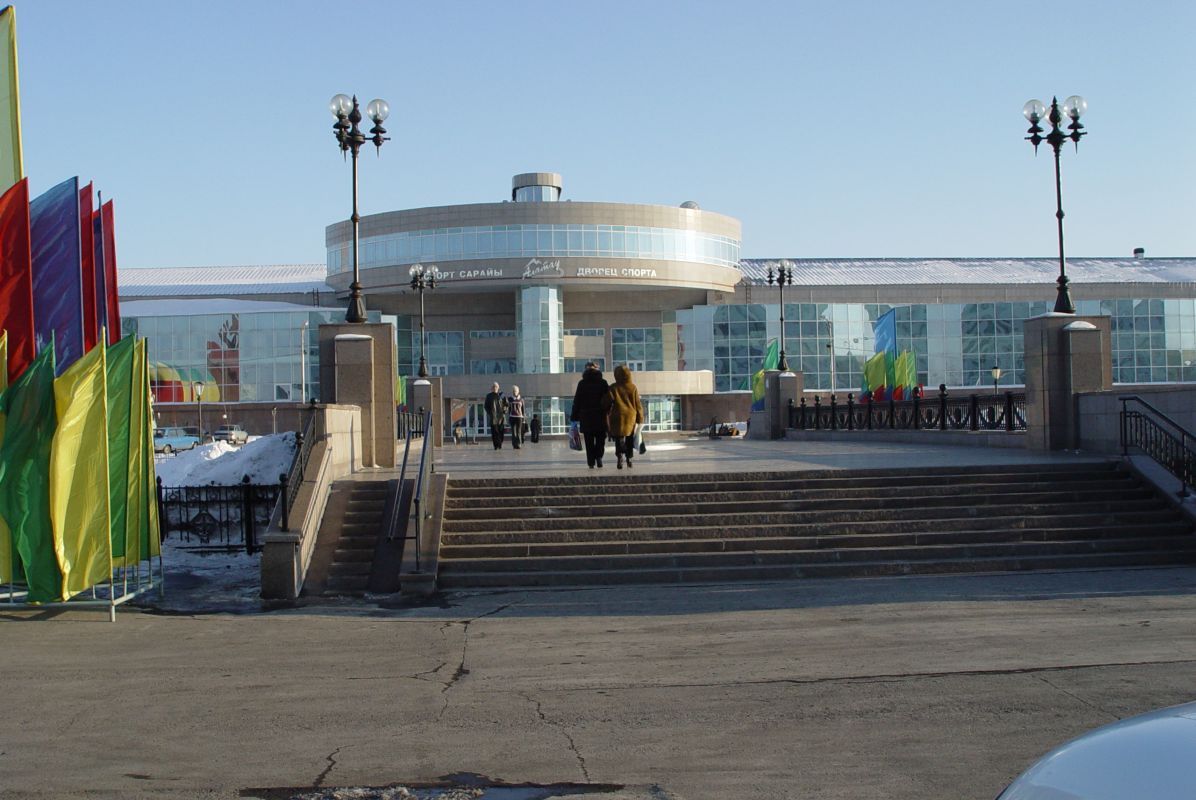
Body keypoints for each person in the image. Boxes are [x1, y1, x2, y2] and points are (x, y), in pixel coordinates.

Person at [570, 362, 609, 468]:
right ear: (597, 370)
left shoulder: (582, 383)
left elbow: (577, 400)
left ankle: (591, 462)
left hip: (586, 417)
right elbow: (608, 400)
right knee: (601, 439)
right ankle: (599, 456)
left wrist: (574, 416)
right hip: (600, 416)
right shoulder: (603, 382)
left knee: (589, 441)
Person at [605, 364, 644, 469]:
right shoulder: (632, 387)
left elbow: (605, 402)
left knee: (619, 439)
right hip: (631, 417)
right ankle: (629, 458)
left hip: (617, 417)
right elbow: (638, 404)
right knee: (629, 438)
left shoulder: (613, 387)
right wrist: (640, 418)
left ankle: (619, 457)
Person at [483, 382, 507, 450]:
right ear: (491, 388)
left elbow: (507, 404)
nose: (494, 388)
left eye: (496, 386)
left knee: (501, 432)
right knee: (494, 432)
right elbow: (486, 406)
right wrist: (490, 413)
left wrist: (505, 411)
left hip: (501, 417)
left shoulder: (502, 395)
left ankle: (500, 443)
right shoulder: (489, 396)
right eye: (493, 387)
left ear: (498, 388)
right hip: (493, 417)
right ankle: (496, 445)